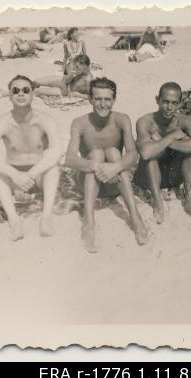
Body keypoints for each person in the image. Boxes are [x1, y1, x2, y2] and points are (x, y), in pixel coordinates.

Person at [64, 77, 149, 253]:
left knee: (113, 152)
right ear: (90, 99)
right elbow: (70, 159)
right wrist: (97, 166)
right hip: (89, 183)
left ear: (114, 100)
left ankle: (135, 216)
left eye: (107, 99)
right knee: (96, 153)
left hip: (114, 181)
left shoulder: (121, 119)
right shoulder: (79, 123)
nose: (103, 104)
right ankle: (89, 222)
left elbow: (133, 153)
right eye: (98, 99)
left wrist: (115, 167)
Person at [0, 75, 62, 241]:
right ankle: (14, 220)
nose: (21, 94)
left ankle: (46, 217)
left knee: (53, 167)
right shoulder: (1, 123)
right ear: (9, 96)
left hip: (38, 176)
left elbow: (57, 150)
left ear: (33, 94)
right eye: (15, 91)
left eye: (26, 90)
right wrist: (15, 175)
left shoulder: (45, 120)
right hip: (13, 177)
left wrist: (31, 174)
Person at [133, 82, 191, 224]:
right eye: (165, 102)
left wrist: (163, 142)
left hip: (174, 176)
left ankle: (190, 199)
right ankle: (158, 203)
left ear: (180, 103)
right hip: (149, 176)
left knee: (190, 153)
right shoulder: (145, 121)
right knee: (152, 156)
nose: (169, 107)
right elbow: (146, 153)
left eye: (174, 103)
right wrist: (172, 136)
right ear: (157, 100)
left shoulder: (184, 121)